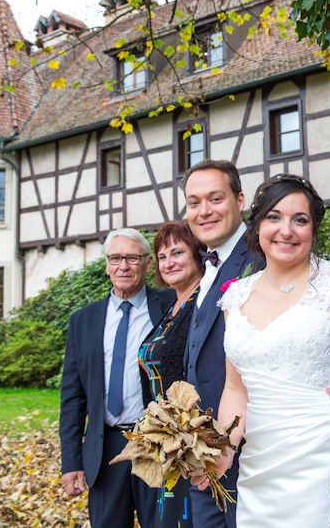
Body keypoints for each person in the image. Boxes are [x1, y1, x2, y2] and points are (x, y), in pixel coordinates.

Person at [195, 174, 330, 528]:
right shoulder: (235, 297)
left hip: (324, 457)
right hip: (259, 466)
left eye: (300, 220)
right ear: (258, 225)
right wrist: (223, 449)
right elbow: (236, 388)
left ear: (314, 228)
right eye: (274, 217)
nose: (286, 230)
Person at [59, 228, 177, 528]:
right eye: (115, 258)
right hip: (106, 448)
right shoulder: (83, 320)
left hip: (157, 443)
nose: (123, 266)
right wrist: (71, 462)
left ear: (148, 264)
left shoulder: (172, 305)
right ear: (107, 265)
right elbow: (72, 397)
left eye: (132, 258)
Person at [182, 159, 261, 528]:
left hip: (249, 451)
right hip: (204, 455)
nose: (204, 211)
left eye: (215, 198)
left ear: (239, 200)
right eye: (194, 202)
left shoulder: (261, 258)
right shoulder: (207, 267)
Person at [138, 221, 207, 528]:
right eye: (162, 257)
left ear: (199, 254)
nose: (169, 263)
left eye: (177, 253)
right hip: (167, 446)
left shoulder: (204, 305)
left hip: (194, 447)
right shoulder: (172, 308)